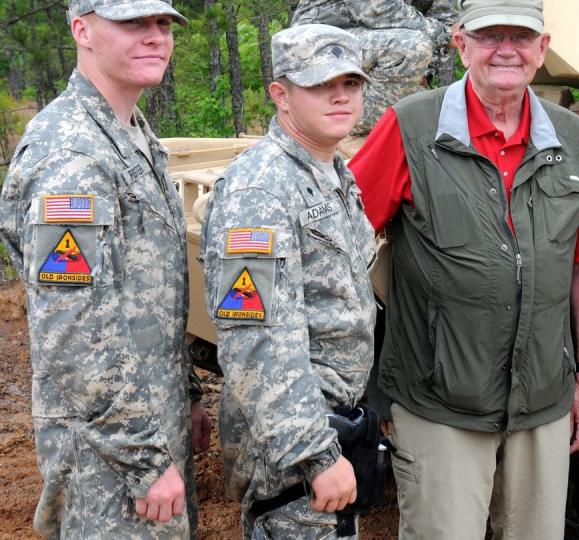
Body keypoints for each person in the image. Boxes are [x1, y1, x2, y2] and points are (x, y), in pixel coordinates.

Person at [348, 0, 579, 537]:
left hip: (541, 401)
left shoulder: (572, 137)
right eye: (490, 36)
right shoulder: (411, 127)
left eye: (521, 36)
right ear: (460, 43)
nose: (506, 49)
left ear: (542, 48)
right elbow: (343, 243)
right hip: (440, 403)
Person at [0, 0, 211, 537]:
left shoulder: (130, 133)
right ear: (82, 30)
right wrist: (143, 457)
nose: (155, 37)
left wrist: (184, 394)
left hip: (142, 429)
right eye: (132, 23)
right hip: (106, 454)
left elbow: (149, 297)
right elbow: (73, 332)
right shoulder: (72, 155)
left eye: (162, 24)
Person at [201, 24, 378, 539]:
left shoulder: (330, 173)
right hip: (293, 453)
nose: (341, 94)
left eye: (351, 81)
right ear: (280, 94)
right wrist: (316, 454)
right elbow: (256, 342)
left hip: (331, 426)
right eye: (321, 83)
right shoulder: (261, 189)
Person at [291, 0, 457, 135]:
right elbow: (377, 10)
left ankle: (375, 124)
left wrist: (425, 73)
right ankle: (352, 128)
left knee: (433, 111)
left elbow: (444, 18)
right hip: (313, 44)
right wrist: (446, 34)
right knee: (411, 46)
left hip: (366, 45)